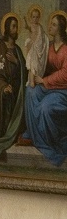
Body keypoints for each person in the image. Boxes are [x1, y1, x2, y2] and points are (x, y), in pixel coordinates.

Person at [23, 12, 67, 169]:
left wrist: (44, 80)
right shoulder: (48, 46)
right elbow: (40, 61)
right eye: (50, 23)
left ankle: (47, 143)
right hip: (48, 87)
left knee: (45, 107)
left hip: (62, 91)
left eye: (54, 24)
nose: (50, 26)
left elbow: (65, 74)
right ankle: (33, 131)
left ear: (61, 29)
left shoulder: (66, 49)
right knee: (30, 91)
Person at [0, 15, 26, 163]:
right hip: (2, 93)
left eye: (17, 26)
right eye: (13, 26)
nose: (15, 29)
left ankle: (10, 139)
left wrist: (17, 63)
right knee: (5, 99)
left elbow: (24, 74)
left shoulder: (18, 51)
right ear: (7, 28)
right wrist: (3, 86)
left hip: (16, 94)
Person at [23, 5, 48, 86]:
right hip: (33, 48)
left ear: (39, 17)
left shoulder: (40, 26)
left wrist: (43, 43)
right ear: (31, 17)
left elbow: (43, 37)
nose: (35, 19)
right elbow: (26, 27)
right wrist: (25, 21)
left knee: (36, 66)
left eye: (37, 17)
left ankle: (35, 80)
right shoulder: (31, 25)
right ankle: (31, 81)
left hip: (39, 48)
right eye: (33, 17)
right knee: (32, 66)